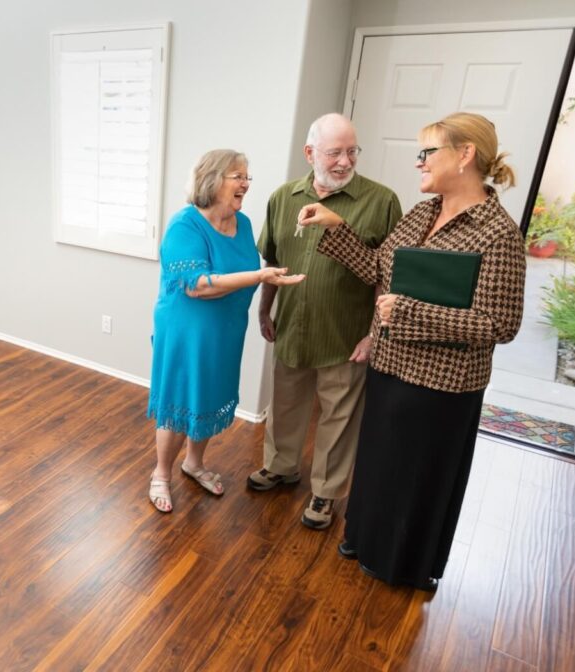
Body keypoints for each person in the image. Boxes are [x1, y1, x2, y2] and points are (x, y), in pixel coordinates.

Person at [298, 112, 526, 591]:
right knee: (378, 465)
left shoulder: (497, 233)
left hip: (442, 387)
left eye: (428, 153)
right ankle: (363, 540)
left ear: (464, 156)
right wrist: (336, 227)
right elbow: (378, 271)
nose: (418, 162)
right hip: (390, 369)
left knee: (416, 480)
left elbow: (500, 324)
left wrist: (411, 313)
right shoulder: (421, 213)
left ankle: (400, 563)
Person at [246, 113, 402, 531]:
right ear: (310, 153)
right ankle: (281, 467)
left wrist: (373, 334)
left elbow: (388, 276)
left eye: (352, 151)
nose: (345, 162)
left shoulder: (382, 201)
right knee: (285, 403)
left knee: (339, 415)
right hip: (293, 326)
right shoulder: (283, 197)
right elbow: (272, 261)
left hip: (345, 333)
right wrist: (264, 309)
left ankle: (326, 492)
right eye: (335, 153)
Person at [148, 149, 304, 513]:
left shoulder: (244, 223)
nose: (246, 183)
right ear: (212, 179)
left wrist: (262, 286)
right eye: (238, 176)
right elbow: (197, 285)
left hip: (227, 330)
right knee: (182, 399)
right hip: (187, 332)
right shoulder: (184, 225)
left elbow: (242, 270)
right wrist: (261, 276)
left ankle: (194, 463)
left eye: (247, 176)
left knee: (208, 395)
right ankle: (161, 474)